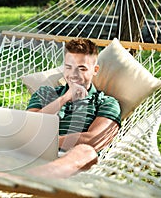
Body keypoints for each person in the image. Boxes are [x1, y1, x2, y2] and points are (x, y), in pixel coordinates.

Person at [26, 38, 121, 178]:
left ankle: (30, 178)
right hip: (34, 154)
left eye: (81, 68)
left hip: (71, 161)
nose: (73, 75)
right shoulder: (45, 93)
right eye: (69, 67)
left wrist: (48, 141)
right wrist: (64, 99)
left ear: (95, 70)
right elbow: (28, 126)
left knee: (86, 152)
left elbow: (95, 140)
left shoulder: (106, 102)